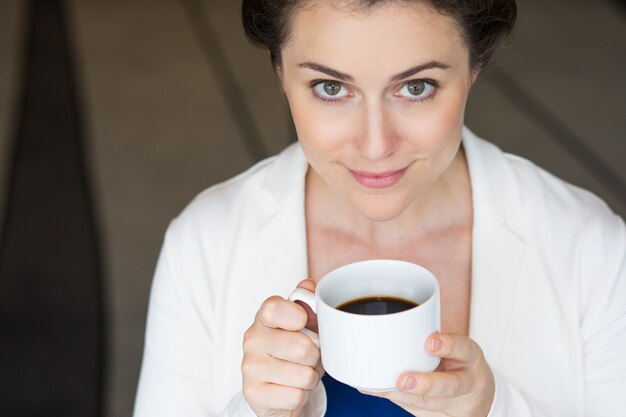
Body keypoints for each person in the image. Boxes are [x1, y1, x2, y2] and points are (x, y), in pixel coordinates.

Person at [132, 0, 626, 416]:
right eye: (331, 87)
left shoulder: (592, 251)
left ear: (476, 64)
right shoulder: (204, 242)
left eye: (416, 87)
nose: (374, 145)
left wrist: (494, 410)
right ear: (280, 70)